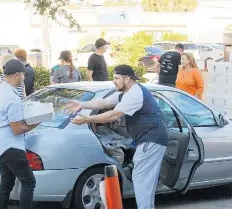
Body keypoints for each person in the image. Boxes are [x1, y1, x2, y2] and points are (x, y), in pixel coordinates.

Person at [65, 64, 168, 209]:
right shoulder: (126, 92)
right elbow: (104, 102)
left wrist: (88, 119)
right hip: (150, 140)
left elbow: (114, 115)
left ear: (127, 79)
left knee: (141, 179)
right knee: (146, 180)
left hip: (150, 140)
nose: (114, 81)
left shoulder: (135, 93)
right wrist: (82, 104)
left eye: (117, 78)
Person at [0, 59, 40, 209]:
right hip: (11, 145)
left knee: (6, 183)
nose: (25, 79)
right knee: (29, 182)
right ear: (17, 75)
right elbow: (17, 129)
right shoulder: (13, 98)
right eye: (24, 75)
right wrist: (37, 122)